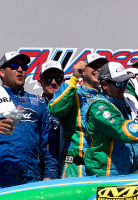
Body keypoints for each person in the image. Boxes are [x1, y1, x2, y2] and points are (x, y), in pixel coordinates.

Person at [0, 51, 58, 187]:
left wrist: (50, 174)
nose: (20, 70)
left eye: (24, 67)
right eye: (14, 66)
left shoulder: (38, 102)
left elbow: (48, 142)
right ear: (2, 72)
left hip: (30, 176)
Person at [48, 53, 106, 178]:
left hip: (100, 167)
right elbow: (55, 108)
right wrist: (74, 78)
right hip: (76, 166)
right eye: (94, 66)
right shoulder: (74, 91)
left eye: (101, 67)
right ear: (83, 71)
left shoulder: (106, 96)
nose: (98, 70)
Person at [38, 60, 65, 175]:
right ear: (40, 82)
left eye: (58, 78)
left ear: (63, 81)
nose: (53, 82)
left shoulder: (74, 105)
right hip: (41, 170)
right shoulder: (34, 106)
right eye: (48, 78)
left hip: (68, 168)